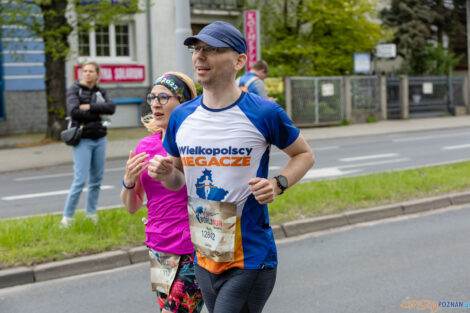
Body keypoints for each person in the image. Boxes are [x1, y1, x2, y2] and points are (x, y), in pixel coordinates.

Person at [147, 21, 315, 313]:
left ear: (239, 60)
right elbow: (178, 180)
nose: (200, 56)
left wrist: (278, 184)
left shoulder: (263, 112)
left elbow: (304, 155)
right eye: (197, 49)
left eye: (212, 50)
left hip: (248, 257)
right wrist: (166, 174)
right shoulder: (181, 117)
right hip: (204, 255)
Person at [120, 72, 204, 313]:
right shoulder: (145, 146)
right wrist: (128, 180)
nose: (155, 103)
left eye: (164, 97)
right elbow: (132, 205)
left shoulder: (197, 142)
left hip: (193, 246)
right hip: (159, 245)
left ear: (184, 103)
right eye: (152, 97)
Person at [61, 61, 115, 226]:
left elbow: (111, 108)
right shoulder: (74, 89)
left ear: (97, 74)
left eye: (91, 71)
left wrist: (89, 107)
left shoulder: (101, 90)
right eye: (85, 71)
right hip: (83, 139)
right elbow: (74, 111)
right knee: (79, 180)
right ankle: (67, 219)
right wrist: (98, 112)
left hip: (100, 138)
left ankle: (91, 214)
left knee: (96, 180)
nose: (87, 74)